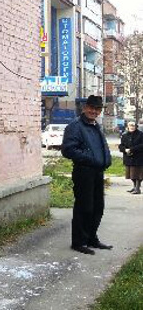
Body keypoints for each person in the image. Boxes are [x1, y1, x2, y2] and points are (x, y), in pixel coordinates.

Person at [61, 95, 112, 255]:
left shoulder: (96, 126)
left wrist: (106, 160)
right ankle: (78, 242)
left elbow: (101, 146)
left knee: (98, 207)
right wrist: (90, 159)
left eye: (97, 109)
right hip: (84, 171)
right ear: (85, 108)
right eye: (91, 108)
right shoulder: (75, 126)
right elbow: (68, 150)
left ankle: (91, 238)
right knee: (85, 207)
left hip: (97, 172)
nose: (94, 111)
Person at [118, 121, 143, 194]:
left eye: (133, 125)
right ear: (127, 127)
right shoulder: (125, 135)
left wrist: (131, 149)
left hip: (138, 158)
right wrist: (124, 149)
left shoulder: (141, 135)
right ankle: (134, 187)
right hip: (128, 158)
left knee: (138, 174)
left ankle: (138, 188)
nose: (132, 127)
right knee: (131, 175)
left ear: (136, 126)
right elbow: (121, 145)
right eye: (130, 125)